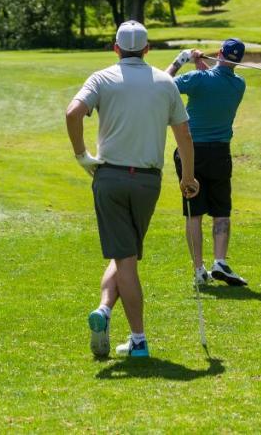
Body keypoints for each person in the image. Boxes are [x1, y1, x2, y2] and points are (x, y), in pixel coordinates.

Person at [65, 21, 200, 359]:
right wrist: (188, 178)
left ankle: (120, 323)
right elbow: (184, 135)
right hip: (147, 181)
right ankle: (122, 325)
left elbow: (73, 112)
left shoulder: (102, 78)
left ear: (115, 48)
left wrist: (82, 155)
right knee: (126, 255)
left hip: (109, 176)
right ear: (147, 49)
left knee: (124, 256)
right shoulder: (165, 82)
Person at [166, 38, 248, 286]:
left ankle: (199, 268)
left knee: (194, 214)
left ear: (220, 53)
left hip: (191, 151)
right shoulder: (239, 85)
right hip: (220, 153)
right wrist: (201, 63)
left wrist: (183, 59)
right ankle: (220, 261)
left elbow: (163, 85)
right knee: (221, 211)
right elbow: (215, 79)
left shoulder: (198, 80)